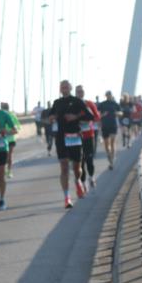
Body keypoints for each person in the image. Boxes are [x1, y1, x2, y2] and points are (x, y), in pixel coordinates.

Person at [48, 80, 93, 209]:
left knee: (77, 168)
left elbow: (89, 116)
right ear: (60, 89)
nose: (64, 89)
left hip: (75, 136)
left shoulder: (78, 101)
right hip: (61, 137)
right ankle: (67, 197)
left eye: (66, 86)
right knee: (64, 168)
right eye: (62, 87)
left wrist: (75, 117)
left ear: (70, 88)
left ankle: (78, 180)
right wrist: (51, 118)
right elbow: (51, 116)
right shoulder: (57, 103)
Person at [75, 85, 101, 190]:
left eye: (81, 91)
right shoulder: (72, 105)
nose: (80, 93)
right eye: (78, 91)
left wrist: (89, 120)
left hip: (89, 135)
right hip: (77, 136)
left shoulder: (89, 104)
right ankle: (83, 181)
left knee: (89, 159)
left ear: (84, 92)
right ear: (76, 93)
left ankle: (91, 177)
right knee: (80, 161)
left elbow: (97, 117)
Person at [97, 91, 121, 169]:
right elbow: (97, 113)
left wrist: (118, 114)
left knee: (112, 142)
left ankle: (112, 161)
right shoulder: (102, 104)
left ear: (111, 95)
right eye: (107, 95)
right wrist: (102, 115)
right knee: (107, 144)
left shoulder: (115, 104)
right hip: (105, 125)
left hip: (113, 125)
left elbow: (121, 112)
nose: (108, 96)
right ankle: (109, 155)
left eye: (110, 95)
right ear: (106, 96)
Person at [0, 101, 20, 179]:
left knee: (7, 156)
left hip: (8, 138)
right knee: (8, 156)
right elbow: (18, 127)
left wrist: (9, 131)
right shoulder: (10, 115)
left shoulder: (10, 115)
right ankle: (8, 171)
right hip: (6, 138)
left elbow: (17, 127)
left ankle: (7, 171)